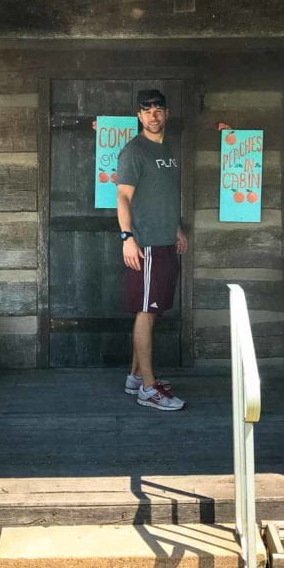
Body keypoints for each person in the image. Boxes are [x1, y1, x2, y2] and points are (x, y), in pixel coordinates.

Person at [116, 89, 188, 411]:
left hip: (165, 243)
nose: (153, 115)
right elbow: (124, 198)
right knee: (145, 313)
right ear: (139, 116)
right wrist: (127, 238)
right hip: (143, 245)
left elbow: (163, 196)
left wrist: (176, 229)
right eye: (146, 110)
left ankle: (135, 378)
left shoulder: (170, 150)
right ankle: (148, 387)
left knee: (153, 311)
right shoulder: (134, 151)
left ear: (166, 114)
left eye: (158, 109)